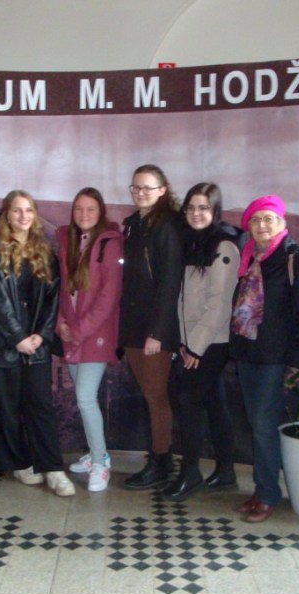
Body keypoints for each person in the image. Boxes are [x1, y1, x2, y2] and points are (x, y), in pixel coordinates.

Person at [0, 190, 74, 497]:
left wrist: (41, 335)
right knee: (7, 408)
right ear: (6, 215)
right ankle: (18, 462)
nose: (23, 216)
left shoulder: (45, 252)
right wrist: (17, 337)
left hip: (37, 345)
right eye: (17, 210)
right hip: (3, 345)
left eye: (28, 210)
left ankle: (53, 468)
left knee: (40, 406)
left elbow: (52, 299)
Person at [229, 195, 299, 523]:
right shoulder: (250, 257)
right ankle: (261, 488)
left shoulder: (295, 258)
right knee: (257, 425)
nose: (262, 225)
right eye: (255, 220)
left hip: (276, 358)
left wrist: (296, 362)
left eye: (269, 218)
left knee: (264, 426)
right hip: (248, 353)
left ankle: (268, 495)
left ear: (282, 222)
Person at [163, 183, 240, 502]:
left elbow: (219, 304)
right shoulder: (191, 242)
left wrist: (194, 347)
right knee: (214, 403)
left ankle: (191, 473)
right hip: (190, 341)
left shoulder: (223, 246)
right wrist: (183, 342)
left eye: (204, 208)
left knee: (189, 403)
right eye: (191, 207)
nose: (196, 214)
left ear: (215, 211)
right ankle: (226, 471)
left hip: (210, 343)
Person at [118, 164, 184, 490]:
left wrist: (157, 332)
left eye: (148, 187)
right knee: (149, 395)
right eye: (136, 187)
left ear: (162, 190)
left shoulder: (167, 227)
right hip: (133, 325)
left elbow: (170, 283)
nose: (141, 193)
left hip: (154, 329)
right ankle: (157, 457)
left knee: (156, 396)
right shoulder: (134, 225)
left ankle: (161, 462)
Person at [57, 188, 123, 492]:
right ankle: (97, 454)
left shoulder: (109, 244)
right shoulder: (68, 240)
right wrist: (61, 323)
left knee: (85, 397)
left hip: (95, 335)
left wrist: (79, 330)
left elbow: (108, 298)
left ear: (101, 213)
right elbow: (62, 288)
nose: (84, 215)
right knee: (83, 398)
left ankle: (100, 462)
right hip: (71, 333)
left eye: (91, 209)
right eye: (79, 209)